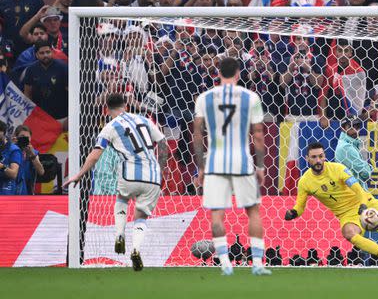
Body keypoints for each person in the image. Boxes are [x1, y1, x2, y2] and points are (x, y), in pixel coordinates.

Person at [63, 93, 168, 271]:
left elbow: (95, 154)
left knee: (122, 199)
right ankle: (135, 249)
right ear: (126, 105)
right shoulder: (143, 119)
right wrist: (161, 168)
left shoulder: (109, 128)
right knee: (141, 216)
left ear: (107, 109)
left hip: (129, 174)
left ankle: (119, 234)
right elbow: (163, 143)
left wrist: (80, 174)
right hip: (152, 176)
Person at [192, 57, 271, 276]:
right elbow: (257, 135)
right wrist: (261, 166)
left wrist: (201, 167)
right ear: (238, 74)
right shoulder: (250, 97)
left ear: (218, 73)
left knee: (217, 214)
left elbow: (197, 134)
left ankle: (225, 262)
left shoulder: (205, 98)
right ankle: (257, 263)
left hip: (216, 162)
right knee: (252, 211)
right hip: (242, 161)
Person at [334, 117, 372, 187]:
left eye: (357, 127)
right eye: (351, 127)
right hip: (353, 193)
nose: (355, 130)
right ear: (343, 129)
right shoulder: (346, 147)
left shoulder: (351, 144)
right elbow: (366, 173)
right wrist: (369, 168)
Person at [0, 121, 22, 195]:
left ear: (3, 132)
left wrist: (1, 166)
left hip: (5, 194)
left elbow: (13, 174)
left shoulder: (14, 150)